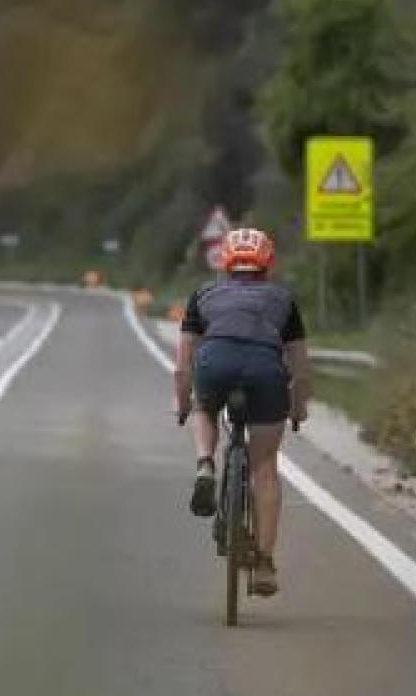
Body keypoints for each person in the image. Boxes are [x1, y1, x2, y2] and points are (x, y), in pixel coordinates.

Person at [173, 227, 313, 597]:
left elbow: (184, 362)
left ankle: (205, 462)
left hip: (215, 364)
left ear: (226, 261)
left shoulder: (204, 294)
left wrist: (183, 403)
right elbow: (300, 368)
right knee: (265, 467)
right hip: (266, 371)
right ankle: (264, 565)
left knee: (205, 407)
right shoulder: (283, 299)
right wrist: (298, 410)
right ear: (267, 261)